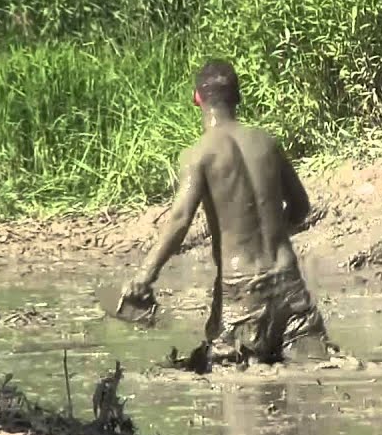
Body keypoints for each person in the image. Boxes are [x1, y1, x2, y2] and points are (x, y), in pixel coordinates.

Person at [118, 60, 335, 372]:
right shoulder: (267, 143)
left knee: (236, 392)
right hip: (290, 287)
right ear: (239, 98)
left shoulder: (199, 154)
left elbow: (180, 220)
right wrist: (271, 237)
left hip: (241, 296)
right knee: (318, 374)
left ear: (197, 99)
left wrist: (144, 276)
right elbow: (301, 207)